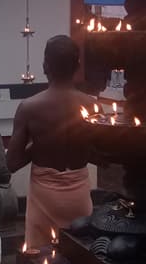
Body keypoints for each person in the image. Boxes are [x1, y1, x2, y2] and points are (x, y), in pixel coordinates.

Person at [7, 35, 96, 248]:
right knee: (79, 258)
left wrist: (42, 143)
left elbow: (12, 162)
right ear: (77, 66)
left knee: (42, 262)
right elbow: (101, 155)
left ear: (45, 65)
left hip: (44, 196)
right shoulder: (92, 105)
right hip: (79, 195)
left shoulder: (29, 107)